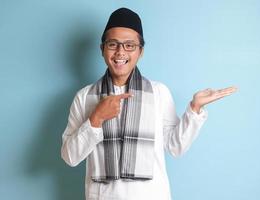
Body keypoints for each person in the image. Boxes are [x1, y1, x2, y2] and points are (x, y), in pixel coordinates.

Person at [61, 7, 237, 200]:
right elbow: (69, 157)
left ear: (140, 51)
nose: (120, 52)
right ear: (102, 48)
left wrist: (195, 109)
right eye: (113, 44)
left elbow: (175, 146)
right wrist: (96, 118)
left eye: (129, 45)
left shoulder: (158, 92)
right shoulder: (85, 97)